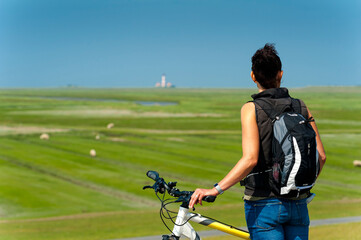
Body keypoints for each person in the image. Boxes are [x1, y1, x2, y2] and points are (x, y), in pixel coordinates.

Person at [189, 43, 326, 240]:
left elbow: (250, 159)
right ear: (280, 74)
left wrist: (215, 189)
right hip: (298, 203)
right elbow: (321, 156)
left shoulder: (251, 109)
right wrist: (298, 185)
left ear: (253, 76)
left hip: (264, 205)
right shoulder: (301, 106)